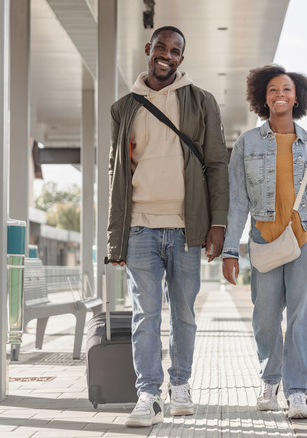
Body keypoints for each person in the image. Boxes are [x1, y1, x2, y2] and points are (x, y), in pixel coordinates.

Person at [105, 25, 229, 427]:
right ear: (149, 49)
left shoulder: (201, 101)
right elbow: (117, 170)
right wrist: (115, 238)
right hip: (140, 226)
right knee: (145, 315)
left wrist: (218, 224)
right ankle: (147, 395)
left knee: (184, 315)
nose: (167, 55)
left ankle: (180, 385)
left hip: (186, 227)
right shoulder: (124, 107)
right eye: (161, 47)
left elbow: (216, 164)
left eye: (176, 50)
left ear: (181, 58)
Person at [221, 64, 307, 419]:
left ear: (297, 97)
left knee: (302, 318)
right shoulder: (247, 143)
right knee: (265, 316)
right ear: (263, 97)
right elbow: (238, 201)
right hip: (265, 238)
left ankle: (297, 392)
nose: (279, 96)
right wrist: (231, 250)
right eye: (273, 90)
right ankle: (269, 381)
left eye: (286, 90)